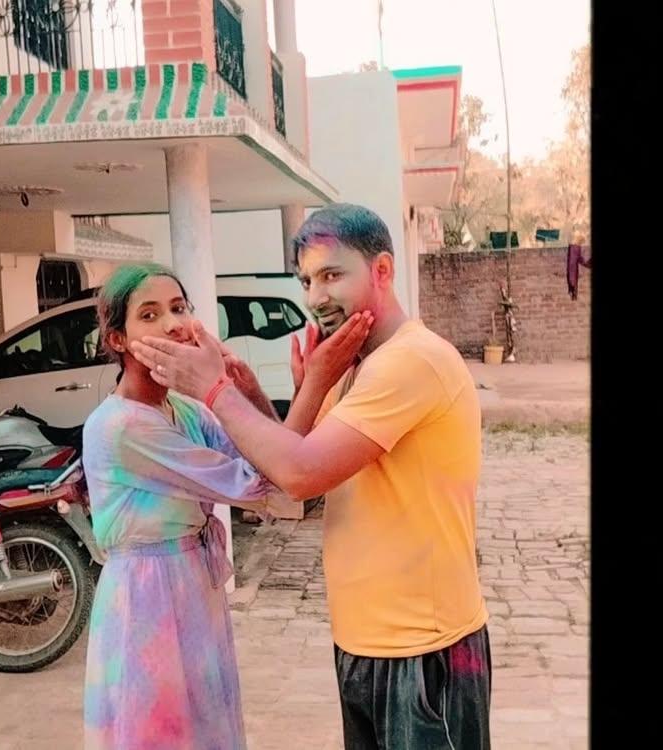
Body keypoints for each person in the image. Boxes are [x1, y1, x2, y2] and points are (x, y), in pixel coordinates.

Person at [132, 204, 492, 750]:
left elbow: (299, 474)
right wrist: (259, 392)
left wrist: (214, 390)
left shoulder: (411, 361)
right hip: (366, 643)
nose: (315, 297)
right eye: (306, 281)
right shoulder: (357, 366)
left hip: (424, 649)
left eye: (331, 275)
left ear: (382, 270)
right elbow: (293, 472)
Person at [82, 262, 371, 750]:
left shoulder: (184, 409)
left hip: (194, 586)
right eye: (149, 315)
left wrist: (254, 391)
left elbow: (271, 464)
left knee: (206, 725)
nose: (172, 324)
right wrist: (317, 383)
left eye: (179, 308)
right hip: (146, 601)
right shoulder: (122, 427)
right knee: (163, 732)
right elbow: (255, 484)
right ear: (117, 340)